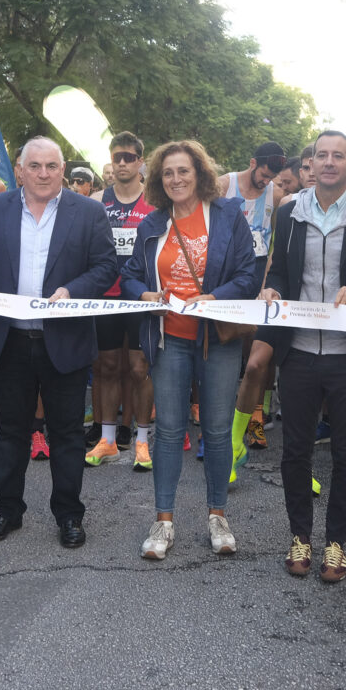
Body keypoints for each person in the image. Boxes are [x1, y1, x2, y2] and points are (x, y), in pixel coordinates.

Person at [0, 137, 118, 550]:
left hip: (64, 341)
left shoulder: (88, 210)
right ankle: (8, 510)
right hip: (9, 338)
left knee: (67, 433)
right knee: (11, 432)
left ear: (62, 168)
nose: (45, 174)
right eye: (35, 166)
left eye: (52, 166)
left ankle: (68, 514)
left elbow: (106, 267)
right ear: (19, 170)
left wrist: (72, 289)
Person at [264, 131, 346, 582]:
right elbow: (281, 272)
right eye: (321, 155)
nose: (328, 162)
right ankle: (300, 537)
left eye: (337, 156)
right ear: (311, 163)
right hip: (299, 350)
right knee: (296, 450)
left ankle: (337, 543)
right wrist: (273, 290)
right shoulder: (290, 213)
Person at [121, 140, 256, 560]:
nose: (177, 179)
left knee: (216, 432)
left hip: (217, 339)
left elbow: (249, 272)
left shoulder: (229, 215)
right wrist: (143, 292)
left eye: (184, 171)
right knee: (169, 431)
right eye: (168, 173)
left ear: (200, 173)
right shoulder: (152, 224)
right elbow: (127, 275)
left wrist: (219, 296)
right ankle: (163, 521)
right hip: (169, 338)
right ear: (160, 180)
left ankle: (218, 516)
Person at [89, 132, 156, 471]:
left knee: (140, 368)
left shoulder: (156, 202)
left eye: (130, 157)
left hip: (142, 296)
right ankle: (108, 439)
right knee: (106, 367)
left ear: (141, 161)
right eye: (118, 157)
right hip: (105, 296)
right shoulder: (98, 200)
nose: (123, 163)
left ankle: (142, 441)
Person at [223, 141, 289, 461]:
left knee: (256, 353)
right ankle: (220, 423)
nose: (266, 181)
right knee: (223, 347)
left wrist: (267, 282)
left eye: (272, 176)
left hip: (258, 273)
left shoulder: (275, 195)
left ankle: (256, 420)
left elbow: (276, 242)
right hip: (226, 275)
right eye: (263, 174)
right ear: (252, 162)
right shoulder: (225, 184)